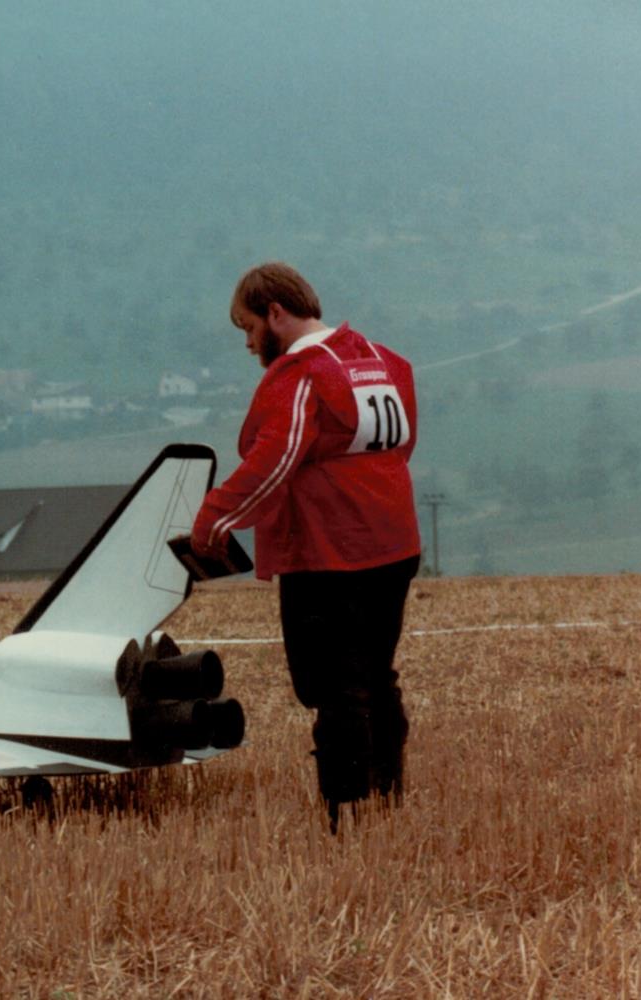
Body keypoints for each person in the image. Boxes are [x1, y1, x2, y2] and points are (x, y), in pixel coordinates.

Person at [191, 261, 420, 833]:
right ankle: (386, 794)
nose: (248, 344)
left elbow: (275, 458)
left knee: (331, 685)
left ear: (276, 312)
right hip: (394, 543)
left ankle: (343, 810)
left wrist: (216, 520)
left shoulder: (302, 375)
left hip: (329, 554)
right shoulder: (382, 360)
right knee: (375, 672)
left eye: (247, 328)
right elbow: (399, 446)